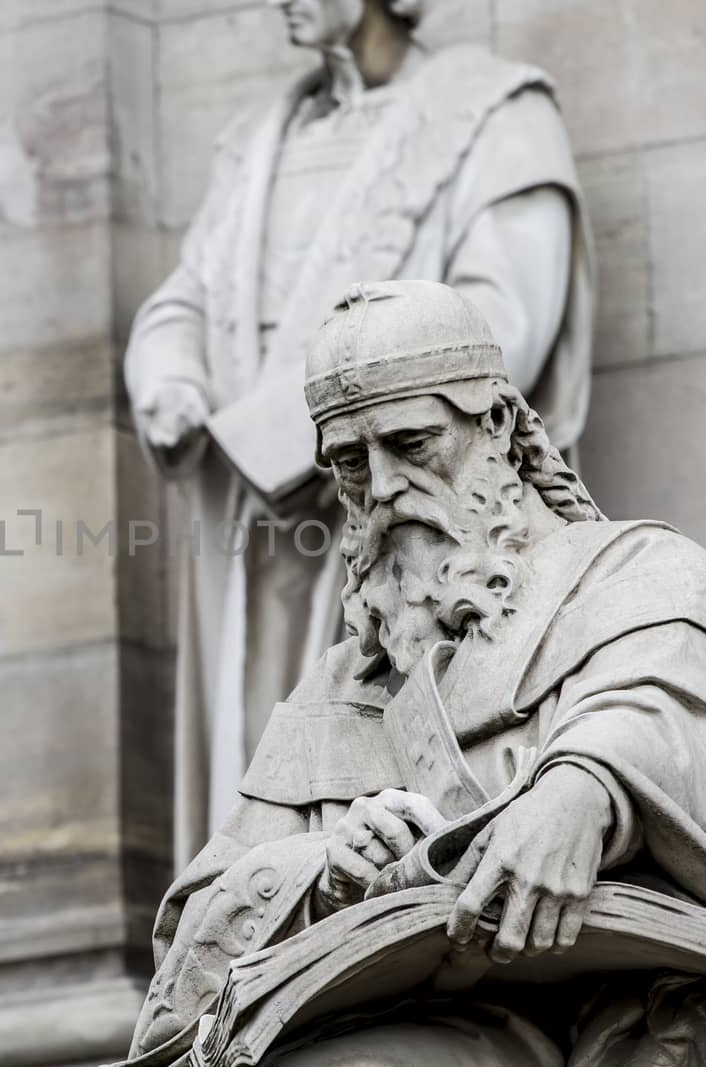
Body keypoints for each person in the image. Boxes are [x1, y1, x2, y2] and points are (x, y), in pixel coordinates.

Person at [118, 281, 706, 1066]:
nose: (382, 488)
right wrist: (323, 874)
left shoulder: (638, 574)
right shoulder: (339, 682)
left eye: (411, 444)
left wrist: (579, 792)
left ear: (494, 426)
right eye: (351, 462)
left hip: (604, 1028)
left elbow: (657, 717)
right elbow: (191, 934)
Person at [126, 0, 594, 861]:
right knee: (259, 770)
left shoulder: (498, 115)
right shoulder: (258, 140)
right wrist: (168, 377)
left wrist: (294, 431)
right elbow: (190, 293)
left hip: (402, 513)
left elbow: (497, 334)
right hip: (250, 524)